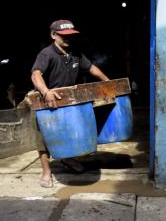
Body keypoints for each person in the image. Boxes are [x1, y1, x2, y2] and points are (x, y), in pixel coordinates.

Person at [31, 19, 109, 188]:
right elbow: (36, 74)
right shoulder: (47, 54)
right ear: (53, 35)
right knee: (43, 139)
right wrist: (46, 92)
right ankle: (46, 171)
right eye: (63, 36)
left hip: (68, 103)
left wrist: (107, 82)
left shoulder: (76, 53)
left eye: (70, 36)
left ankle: (67, 159)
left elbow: (91, 68)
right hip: (46, 102)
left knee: (66, 133)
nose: (68, 39)